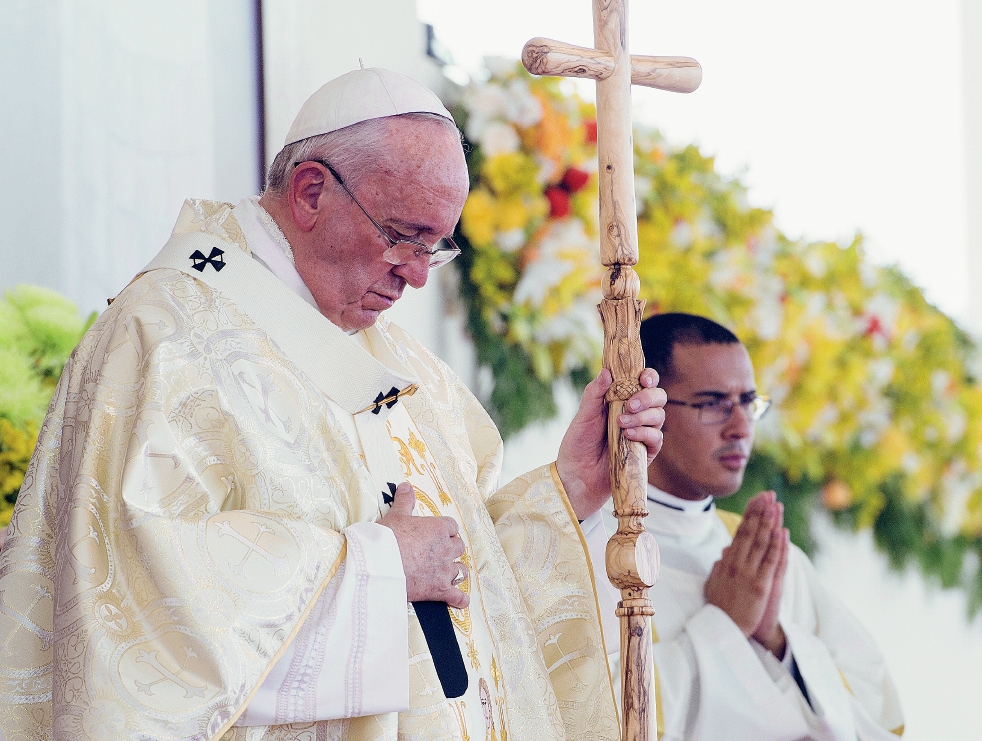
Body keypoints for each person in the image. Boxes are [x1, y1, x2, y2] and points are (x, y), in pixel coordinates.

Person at [0, 68, 667, 741]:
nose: (413, 273)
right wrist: (378, 570)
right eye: (401, 235)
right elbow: (134, 616)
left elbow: (470, 605)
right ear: (312, 191)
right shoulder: (169, 336)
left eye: (434, 247)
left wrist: (574, 486)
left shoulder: (404, 367)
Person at [608, 313, 904, 741]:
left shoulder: (766, 558)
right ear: (648, 406)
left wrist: (779, 642)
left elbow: (877, 718)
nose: (741, 426)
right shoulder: (599, 552)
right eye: (712, 404)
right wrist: (723, 624)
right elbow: (590, 715)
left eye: (748, 402)